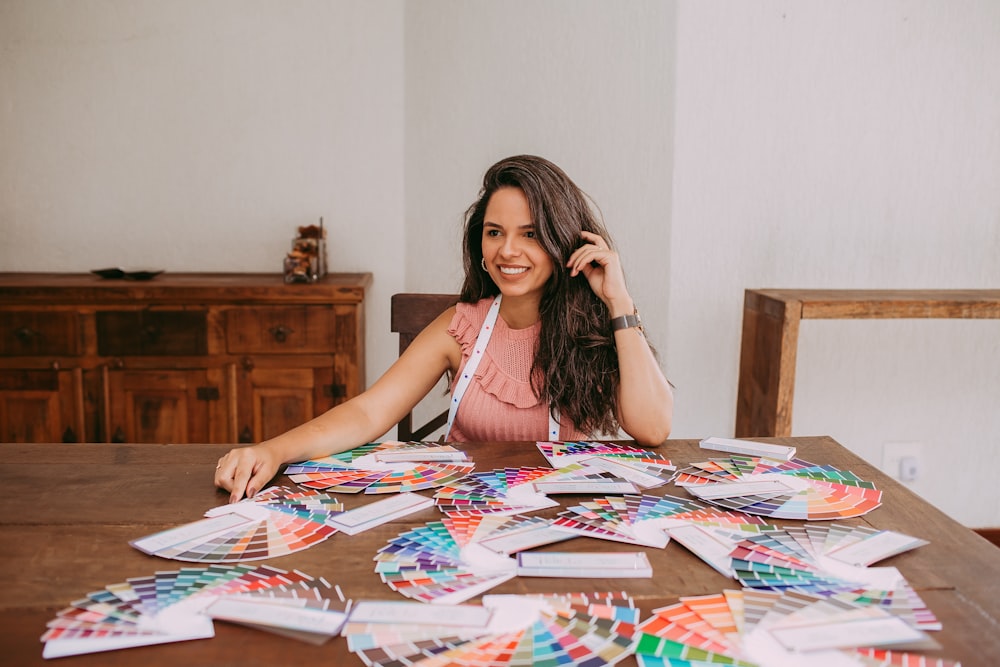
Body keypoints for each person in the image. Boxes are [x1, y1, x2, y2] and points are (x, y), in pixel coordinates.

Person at [215, 155, 673, 502]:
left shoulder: (595, 327)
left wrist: (618, 301)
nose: (508, 251)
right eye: (494, 232)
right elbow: (370, 413)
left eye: (530, 234)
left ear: (561, 241)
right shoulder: (460, 326)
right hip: (458, 511)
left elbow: (651, 429)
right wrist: (272, 451)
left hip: (555, 515)